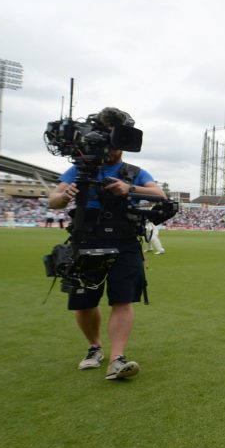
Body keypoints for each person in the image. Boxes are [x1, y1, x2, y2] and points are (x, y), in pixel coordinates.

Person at [47, 107, 167, 381]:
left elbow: (159, 194)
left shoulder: (134, 172)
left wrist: (129, 188)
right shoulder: (79, 168)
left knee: (122, 300)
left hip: (125, 241)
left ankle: (117, 359)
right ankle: (95, 347)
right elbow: (53, 200)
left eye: (115, 146)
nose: (111, 151)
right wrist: (65, 196)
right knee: (83, 302)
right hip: (86, 238)